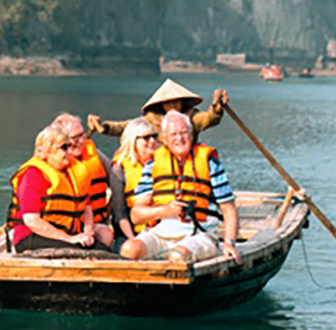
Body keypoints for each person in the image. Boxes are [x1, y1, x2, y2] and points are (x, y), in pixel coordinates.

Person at [121, 110, 239, 263]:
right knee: (129, 249)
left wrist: (229, 243)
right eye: (173, 134)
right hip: (161, 233)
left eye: (183, 132)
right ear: (164, 138)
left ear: (191, 134)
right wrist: (165, 211)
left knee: (178, 255)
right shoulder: (153, 165)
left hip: (199, 235)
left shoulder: (209, 162)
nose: (179, 138)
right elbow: (136, 215)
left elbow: (229, 210)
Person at [9, 125, 112, 253]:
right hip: (33, 237)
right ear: (47, 150)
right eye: (64, 147)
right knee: (88, 253)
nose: (69, 151)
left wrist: (88, 232)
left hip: (67, 235)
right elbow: (32, 220)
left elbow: (87, 207)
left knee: (102, 250)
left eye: (70, 146)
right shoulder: (33, 175)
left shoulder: (73, 172)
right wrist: (69, 239)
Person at [86, 79, 229, 139]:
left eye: (176, 102)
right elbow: (125, 127)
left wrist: (217, 106)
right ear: (161, 105)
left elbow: (209, 118)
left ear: (182, 102)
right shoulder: (152, 120)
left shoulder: (190, 118)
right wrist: (103, 127)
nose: (172, 106)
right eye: (168, 103)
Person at [105, 117, 160, 244]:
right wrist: (134, 240)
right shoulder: (119, 169)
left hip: (159, 230)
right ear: (133, 141)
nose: (152, 141)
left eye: (154, 136)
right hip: (129, 231)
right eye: (146, 138)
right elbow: (120, 215)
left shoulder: (163, 164)